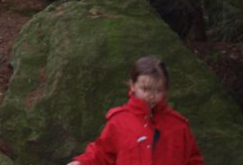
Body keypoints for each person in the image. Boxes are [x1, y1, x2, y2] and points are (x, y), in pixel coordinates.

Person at [67, 56, 203, 165]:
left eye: (158, 90)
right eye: (145, 89)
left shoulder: (178, 126)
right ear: (132, 85)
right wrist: (82, 162)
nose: (151, 96)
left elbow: (193, 160)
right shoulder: (119, 121)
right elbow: (101, 153)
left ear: (166, 90)